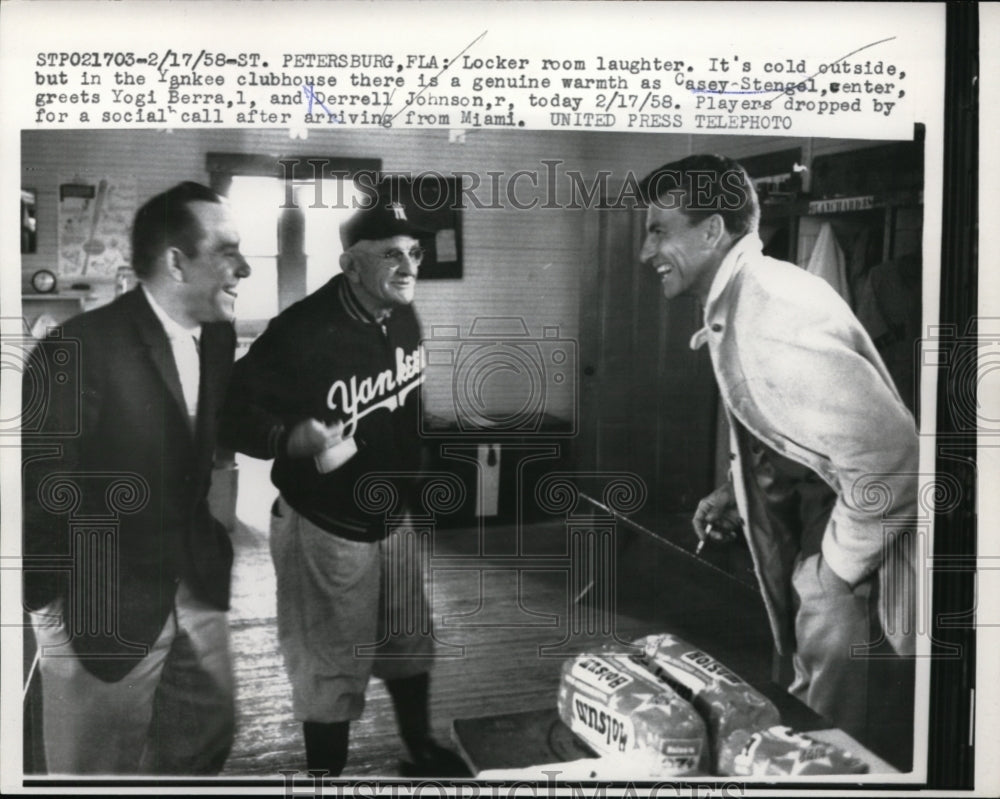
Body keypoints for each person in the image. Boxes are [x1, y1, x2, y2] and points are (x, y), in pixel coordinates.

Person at [637, 154, 918, 767]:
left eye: (659, 230)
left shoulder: (771, 314)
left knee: (843, 757)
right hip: (830, 567)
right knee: (817, 738)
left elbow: (895, 458)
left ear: (712, 231)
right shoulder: (752, 294)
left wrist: (834, 573)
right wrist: (735, 492)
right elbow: (803, 439)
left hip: (856, 578)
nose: (645, 250)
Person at [219, 183, 466, 778]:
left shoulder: (403, 314)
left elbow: (405, 410)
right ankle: (324, 781)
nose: (409, 266)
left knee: (409, 645)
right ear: (350, 263)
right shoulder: (300, 330)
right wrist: (287, 440)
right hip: (325, 525)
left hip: (393, 518)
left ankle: (419, 749)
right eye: (392, 253)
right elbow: (231, 411)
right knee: (330, 668)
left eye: (414, 251)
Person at [22, 181, 252, 774]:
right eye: (227, 251)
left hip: (193, 584)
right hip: (101, 607)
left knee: (204, 741)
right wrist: (54, 615)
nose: (244, 267)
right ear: (176, 261)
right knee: (96, 773)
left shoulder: (219, 338)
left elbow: (214, 433)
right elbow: (36, 491)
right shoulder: (76, 350)